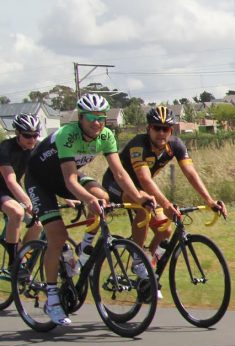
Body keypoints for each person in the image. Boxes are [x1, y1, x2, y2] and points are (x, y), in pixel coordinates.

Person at [25, 93, 155, 326]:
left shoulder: (106, 136)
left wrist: (138, 197)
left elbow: (120, 173)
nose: (97, 122)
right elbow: (69, 182)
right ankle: (52, 299)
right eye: (91, 117)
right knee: (57, 236)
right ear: (80, 118)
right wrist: (87, 200)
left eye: (101, 117)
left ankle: (85, 246)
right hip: (42, 181)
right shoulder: (68, 135)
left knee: (103, 197)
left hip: (70, 175)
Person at [102, 105, 226, 298]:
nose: (161, 132)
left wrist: (209, 200)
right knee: (143, 210)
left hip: (142, 190)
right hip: (117, 184)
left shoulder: (175, 145)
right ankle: (138, 260)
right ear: (148, 129)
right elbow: (144, 179)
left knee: (165, 229)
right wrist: (166, 205)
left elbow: (190, 173)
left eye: (165, 129)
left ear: (171, 130)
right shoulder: (139, 144)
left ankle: (147, 259)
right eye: (156, 128)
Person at [0, 114, 44, 266]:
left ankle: (22, 257)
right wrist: (27, 201)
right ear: (18, 133)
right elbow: (10, 180)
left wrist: (67, 196)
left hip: (13, 190)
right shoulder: (5, 148)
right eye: (27, 135)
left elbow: (48, 174)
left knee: (37, 225)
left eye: (35, 135)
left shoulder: (37, 147)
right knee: (17, 212)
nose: (32, 139)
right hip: (3, 188)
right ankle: (14, 261)